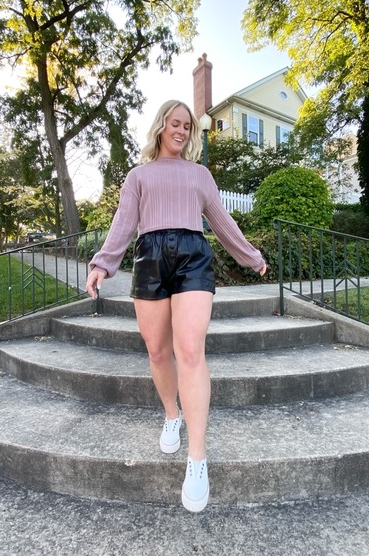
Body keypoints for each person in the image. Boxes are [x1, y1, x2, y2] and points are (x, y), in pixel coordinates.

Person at [85, 100, 267, 512]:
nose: (182, 130)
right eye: (176, 123)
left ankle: (197, 457)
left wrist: (250, 256)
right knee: (157, 350)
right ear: (161, 126)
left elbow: (221, 220)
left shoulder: (200, 175)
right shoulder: (139, 175)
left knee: (190, 351)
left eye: (188, 126)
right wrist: (102, 264)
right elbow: (123, 223)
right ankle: (172, 414)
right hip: (150, 257)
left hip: (192, 257)